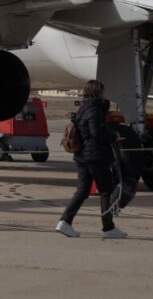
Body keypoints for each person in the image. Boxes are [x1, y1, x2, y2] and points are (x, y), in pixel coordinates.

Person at [56, 80, 127, 239]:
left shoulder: (83, 108)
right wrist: (113, 136)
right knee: (106, 190)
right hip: (95, 156)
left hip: (81, 156)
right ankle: (108, 227)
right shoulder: (94, 109)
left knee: (82, 191)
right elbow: (97, 133)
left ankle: (65, 221)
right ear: (97, 92)